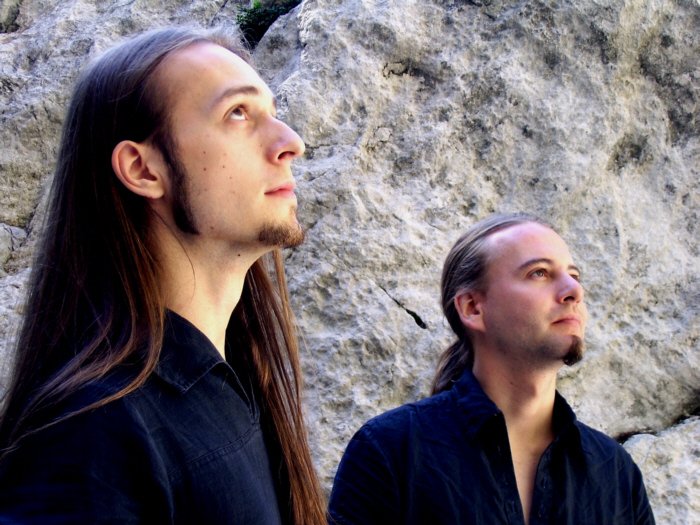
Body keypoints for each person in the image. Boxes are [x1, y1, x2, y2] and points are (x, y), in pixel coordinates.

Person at [0, 26, 325, 524]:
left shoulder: (232, 386)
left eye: (272, 113)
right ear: (143, 169)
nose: (291, 143)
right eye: (238, 113)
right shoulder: (93, 438)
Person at [328, 213, 655, 525]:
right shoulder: (390, 450)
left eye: (575, 275)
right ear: (473, 308)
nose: (574, 291)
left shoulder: (615, 473)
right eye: (539, 273)